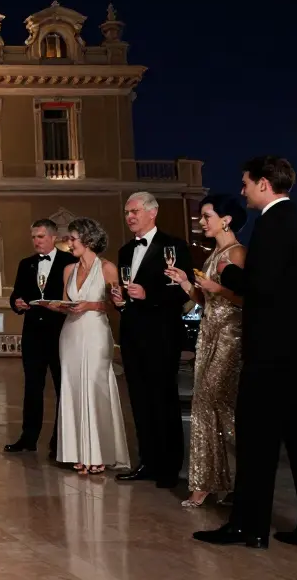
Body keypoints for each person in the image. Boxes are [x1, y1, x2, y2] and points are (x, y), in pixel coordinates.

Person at [194, 156, 297, 552]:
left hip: (272, 352)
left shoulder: (273, 224)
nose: (242, 191)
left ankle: (248, 527)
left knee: (257, 442)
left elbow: (261, 287)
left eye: (245, 183)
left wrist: (228, 275)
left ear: (263, 184)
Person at [165, 194, 245, 508]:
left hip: (230, 337)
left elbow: (243, 299)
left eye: (207, 215)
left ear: (226, 220)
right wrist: (187, 282)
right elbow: (205, 301)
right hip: (209, 335)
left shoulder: (237, 252)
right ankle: (208, 481)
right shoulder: (215, 254)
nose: (202, 221)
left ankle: (234, 478)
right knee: (204, 406)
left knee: (220, 406)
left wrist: (216, 288)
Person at [111, 191, 193, 488]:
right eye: (126, 212)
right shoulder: (124, 251)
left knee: (164, 399)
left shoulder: (174, 246)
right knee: (140, 401)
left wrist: (148, 295)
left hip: (161, 335)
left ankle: (169, 467)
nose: (130, 216)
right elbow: (127, 293)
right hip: (133, 335)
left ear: (152, 212)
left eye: (134, 211)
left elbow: (183, 292)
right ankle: (147, 461)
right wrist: (120, 300)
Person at [49, 218, 128, 475]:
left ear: (88, 239)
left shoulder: (107, 268)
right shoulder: (68, 270)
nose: (68, 243)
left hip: (96, 331)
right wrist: (50, 304)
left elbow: (115, 305)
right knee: (72, 388)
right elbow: (64, 303)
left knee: (95, 387)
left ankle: (100, 452)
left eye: (72, 238)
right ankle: (77, 452)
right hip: (70, 332)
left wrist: (92, 305)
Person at [5, 219, 75, 456]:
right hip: (33, 332)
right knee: (32, 387)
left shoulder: (70, 262)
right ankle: (28, 437)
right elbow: (16, 293)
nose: (36, 241)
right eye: (34, 237)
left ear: (54, 237)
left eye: (41, 236)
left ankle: (59, 441)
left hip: (59, 332)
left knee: (61, 386)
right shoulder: (26, 264)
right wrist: (17, 303)